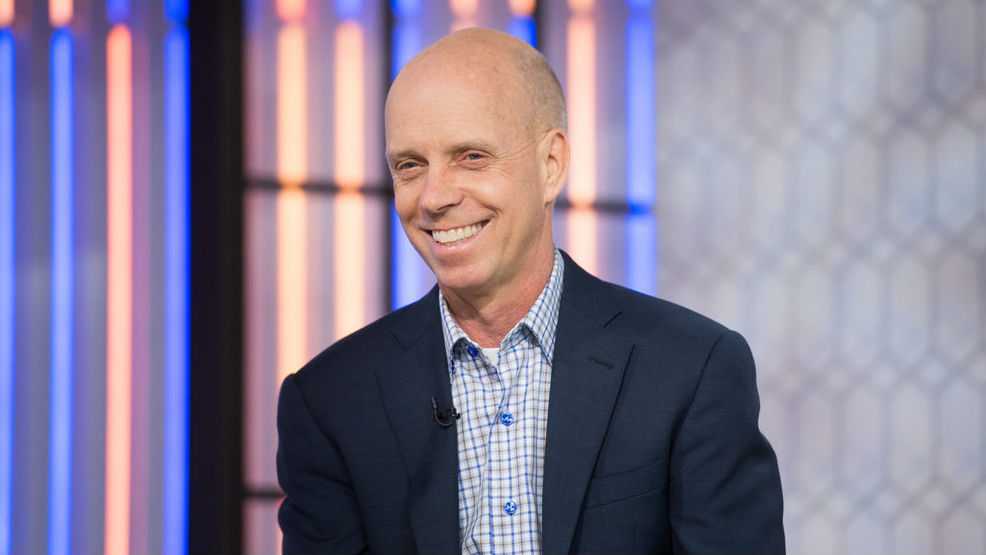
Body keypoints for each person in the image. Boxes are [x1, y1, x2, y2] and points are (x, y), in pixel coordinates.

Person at [276, 27, 784, 555]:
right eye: (410, 166)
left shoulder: (691, 369)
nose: (434, 197)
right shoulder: (330, 402)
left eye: (471, 156)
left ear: (551, 165)